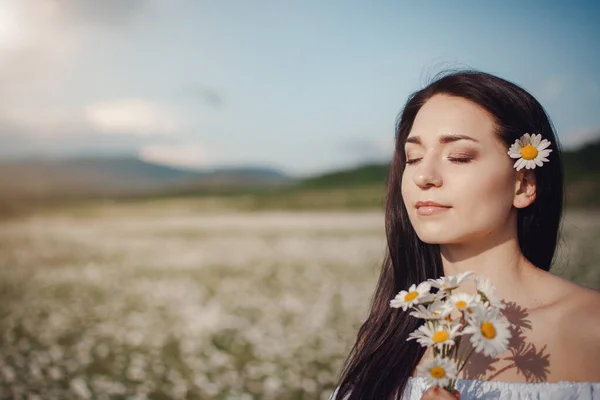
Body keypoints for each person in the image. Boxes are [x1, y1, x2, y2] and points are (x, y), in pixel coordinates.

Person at [330, 70, 600, 400]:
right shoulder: (386, 335)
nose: (423, 176)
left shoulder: (591, 328)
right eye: (413, 158)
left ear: (524, 183)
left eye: (458, 157)